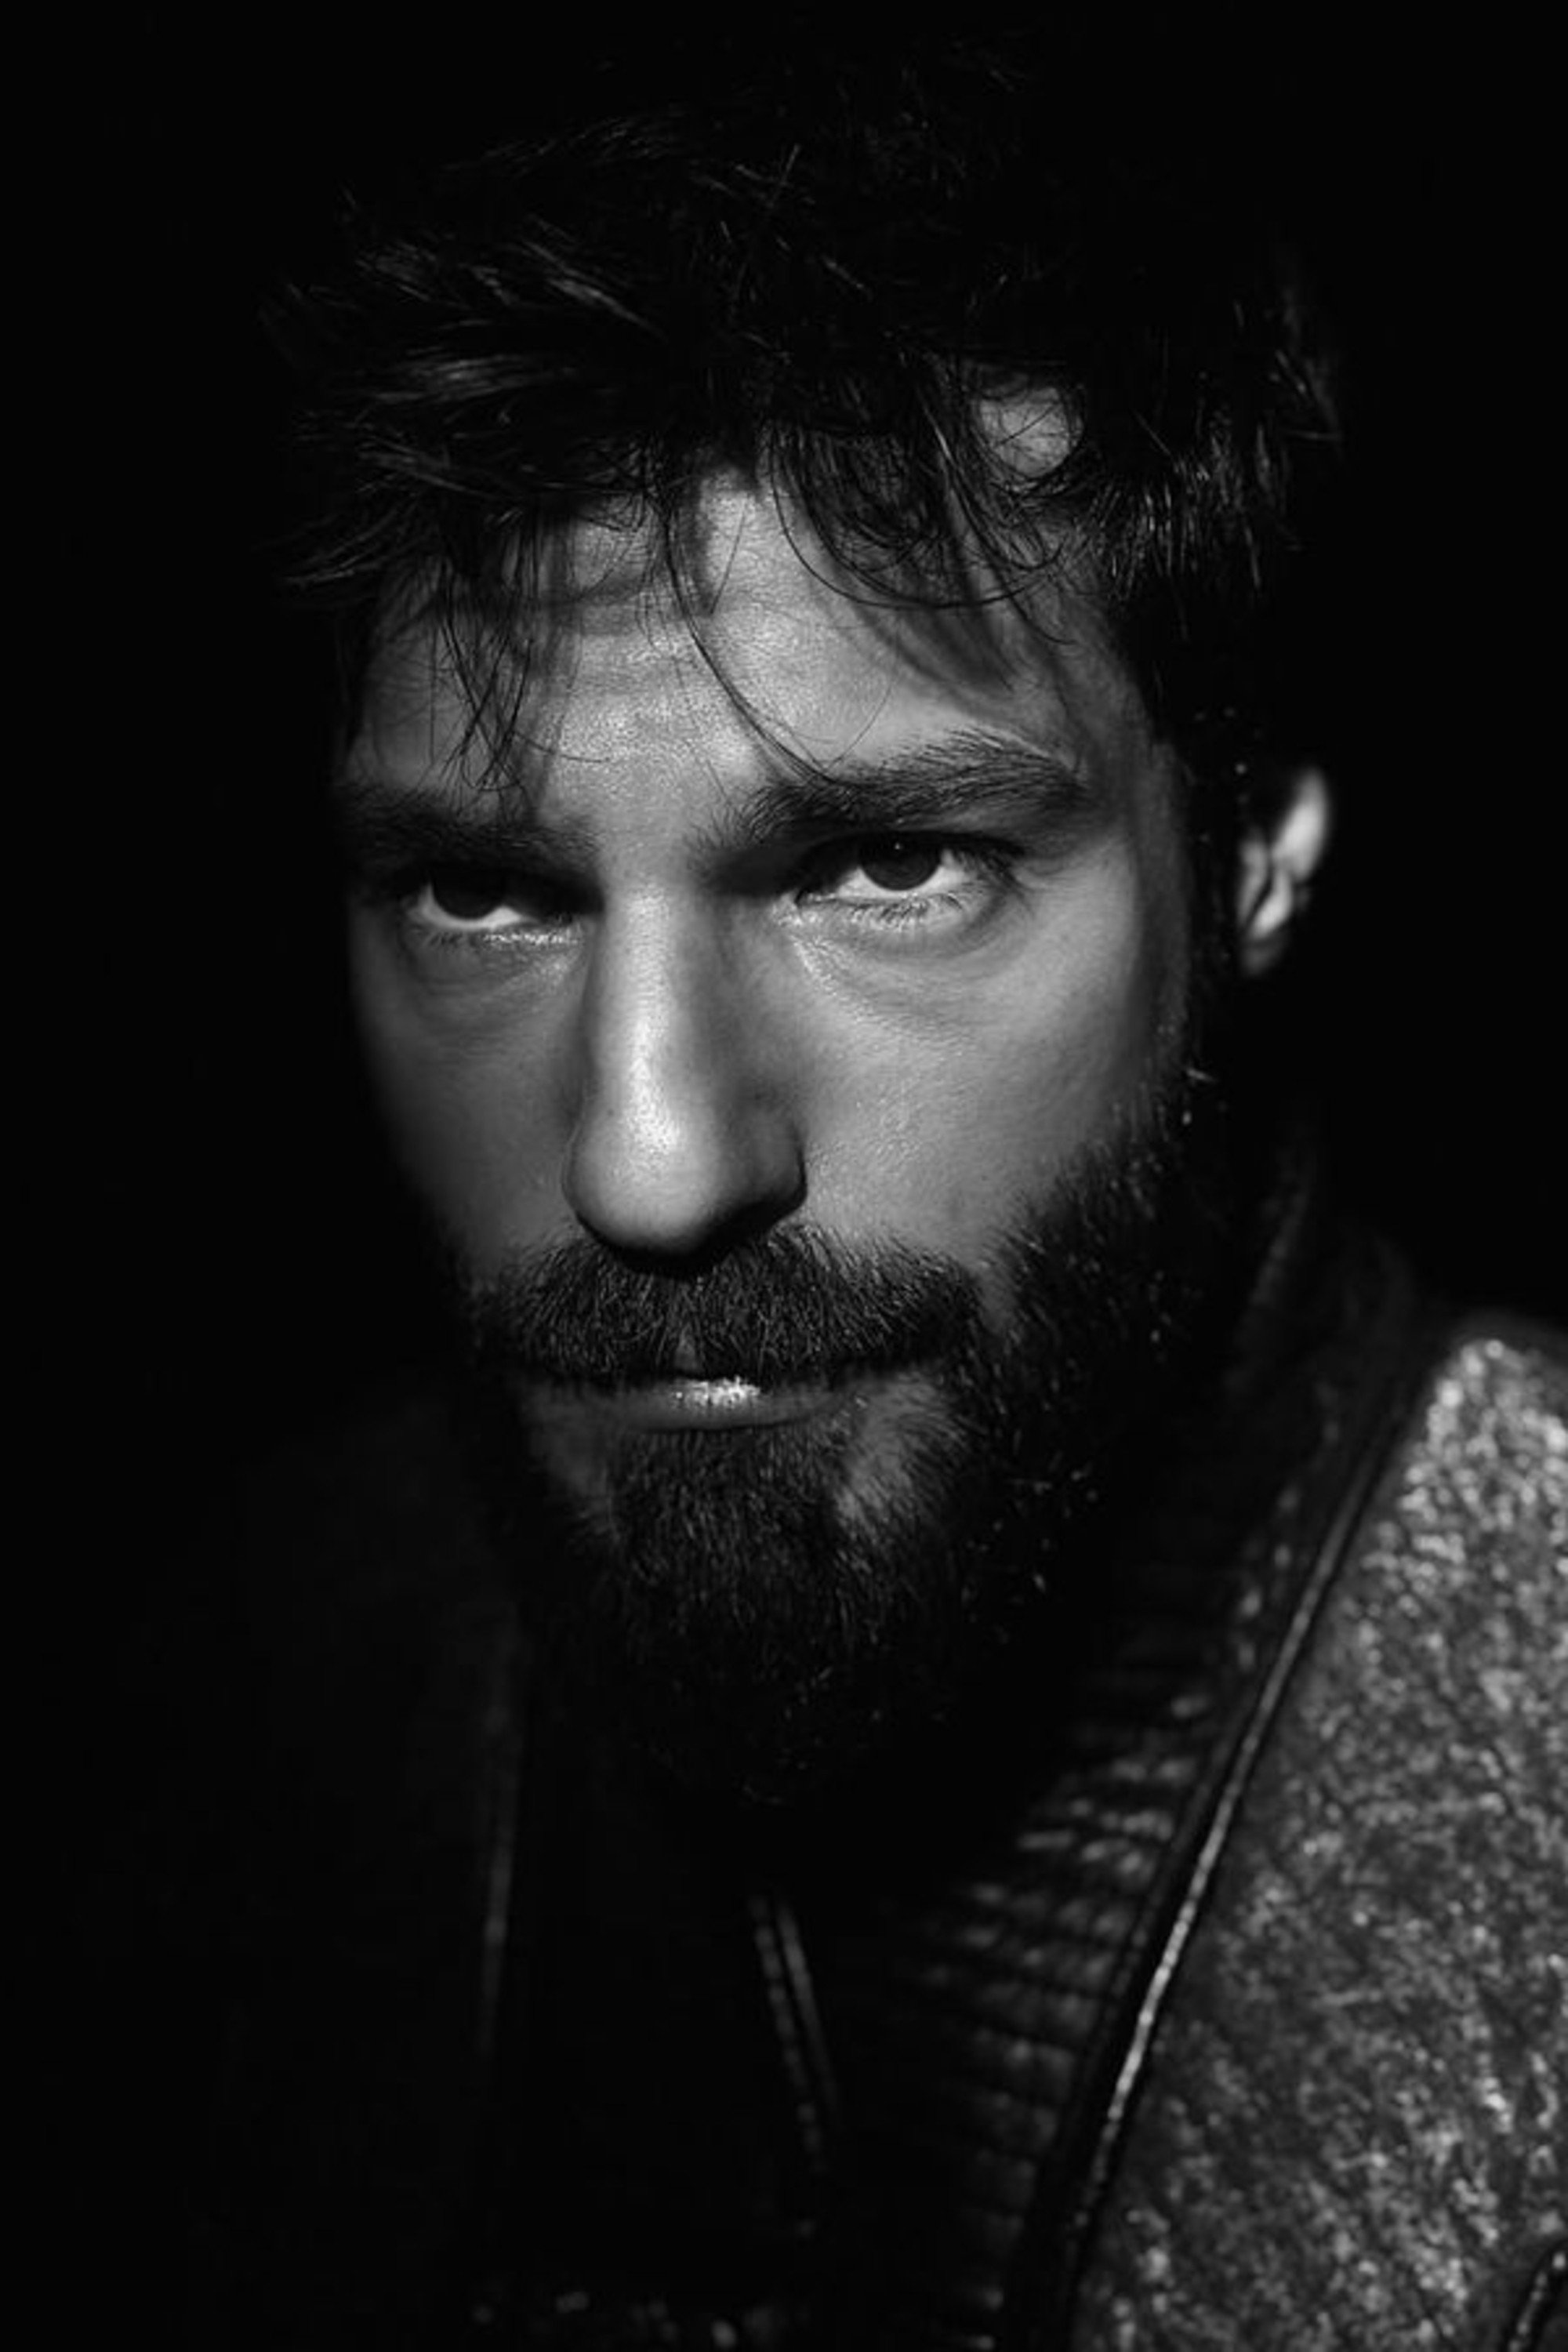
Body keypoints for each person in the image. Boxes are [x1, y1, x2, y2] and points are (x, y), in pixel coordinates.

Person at [119, 38, 1563, 2350]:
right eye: (486, 893)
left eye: (887, 864)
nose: (651, 1162)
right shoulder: (238, 1690)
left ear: (1253, 850)